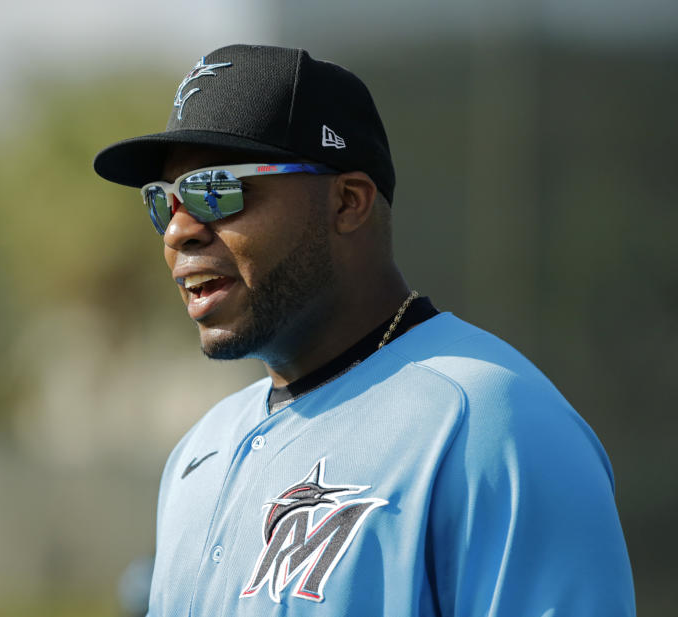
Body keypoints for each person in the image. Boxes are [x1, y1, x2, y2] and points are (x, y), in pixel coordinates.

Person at [93, 44, 635, 616]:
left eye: (216, 189)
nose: (178, 231)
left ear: (348, 202)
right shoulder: (199, 450)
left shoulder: (490, 423)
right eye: (165, 201)